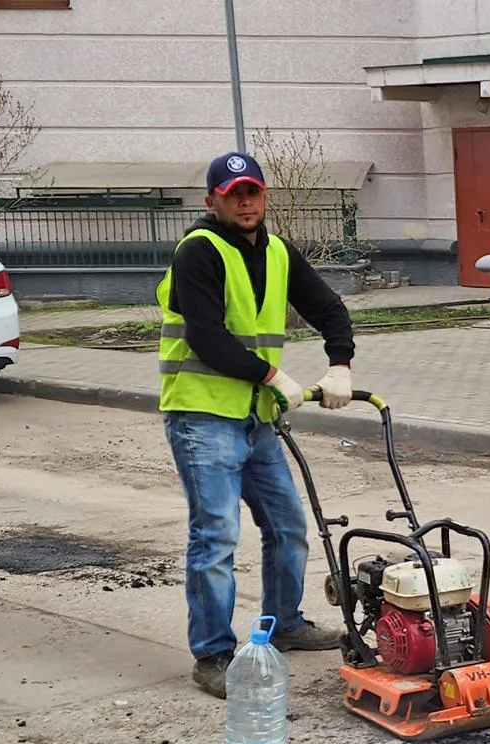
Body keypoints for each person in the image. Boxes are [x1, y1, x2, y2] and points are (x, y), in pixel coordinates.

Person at [155, 150, 357, 698]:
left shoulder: (278, 251)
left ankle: (285, 623)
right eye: (232, 194)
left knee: (288, 525)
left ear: (265, 197)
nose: (244, 202)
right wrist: (273, 374)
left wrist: (340, 363)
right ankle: (214, 654)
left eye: (253, 193)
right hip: (202, 417)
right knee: (216, 536)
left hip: (256, 418)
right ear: (212, 201)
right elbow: (206, 336)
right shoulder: (198, 252)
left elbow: (329, 307)